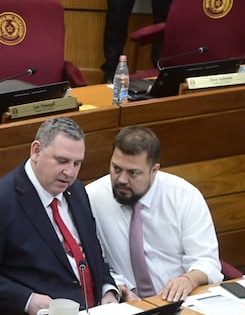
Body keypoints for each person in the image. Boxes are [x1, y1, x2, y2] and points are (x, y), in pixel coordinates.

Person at [0, 117, 118, 315]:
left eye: (77, 163)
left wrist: (108, 289)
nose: (70, 172)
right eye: (62, 161)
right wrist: (28, 300)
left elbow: (91, 252)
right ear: (36, 151)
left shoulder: (77, 191)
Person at [86, 126, 222, 303]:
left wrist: (188, 280)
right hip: (125, 306)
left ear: (154, 170)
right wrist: (114, 287)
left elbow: (206, 261)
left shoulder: (183, 196)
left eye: (133, 173)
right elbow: (92, 263)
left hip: (181, 301)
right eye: (116, 168)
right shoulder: (92, 198)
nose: (122, 180)